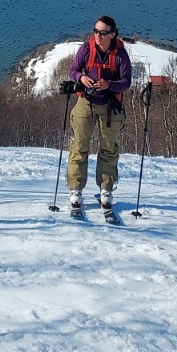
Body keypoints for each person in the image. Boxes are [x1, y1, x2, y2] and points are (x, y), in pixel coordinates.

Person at [67, 15, 133, 211]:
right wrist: (82, 77)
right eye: (95, 31)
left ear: (112, 34)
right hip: (85, 102)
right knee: (79, 146)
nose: (97, 35)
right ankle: (75, 189)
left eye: (102, 32)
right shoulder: (87, 49)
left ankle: (106, 189)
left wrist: (109, 85)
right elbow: (72, 70)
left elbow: (126, 81)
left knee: (108, 148)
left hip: (109, 107)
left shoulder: (120, 54)